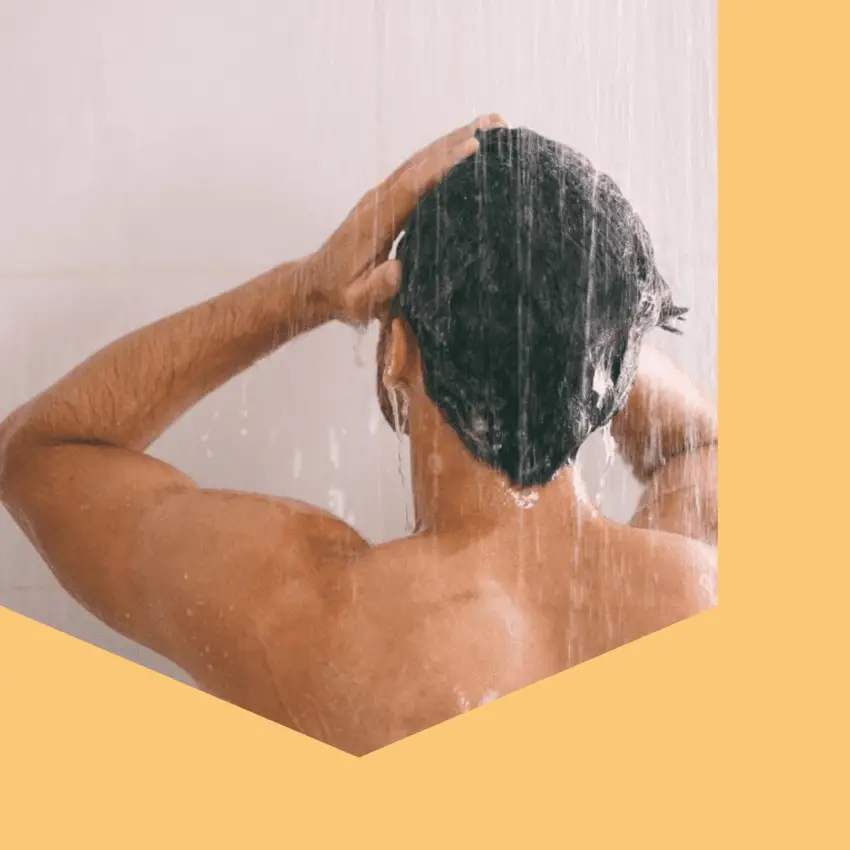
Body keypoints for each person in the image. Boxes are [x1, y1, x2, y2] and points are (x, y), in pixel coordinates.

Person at [0, 116, 717, 755]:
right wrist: (570, 321)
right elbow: (698, 443)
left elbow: (40, 455)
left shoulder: (313, 616)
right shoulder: (701, 587)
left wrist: (307, 289)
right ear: (614, 367)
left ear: (398, 350)